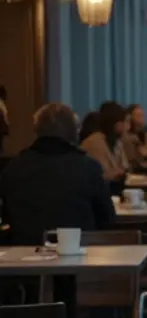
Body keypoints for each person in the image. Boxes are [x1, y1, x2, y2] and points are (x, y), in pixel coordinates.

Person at [0, 102, 115, 244]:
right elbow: (107, 220)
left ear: (37, 131)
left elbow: (7, 218)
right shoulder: (89, 168)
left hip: (23, 255)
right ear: (74, 132)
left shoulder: (13, 169)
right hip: (79, 253)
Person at [81, 101, 131, 188]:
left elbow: (125, 169)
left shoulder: (117, 142)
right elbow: (103, 176)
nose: (128, 127)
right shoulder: (95, 143)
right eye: (125, 122)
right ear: (116, 124)